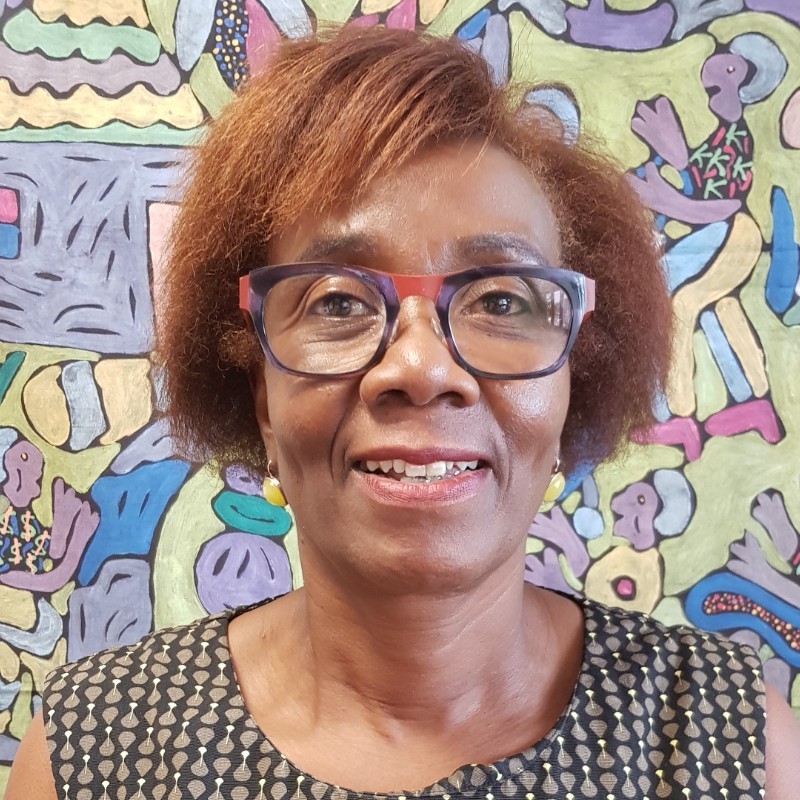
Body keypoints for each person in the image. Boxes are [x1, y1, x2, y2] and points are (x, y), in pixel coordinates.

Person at [7, 25, 800, 800]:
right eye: (338, 302)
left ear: (573, 384)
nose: (421, 369)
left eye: (500, 300)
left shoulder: (733, 741)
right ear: (261, 398)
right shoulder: (95, 752)